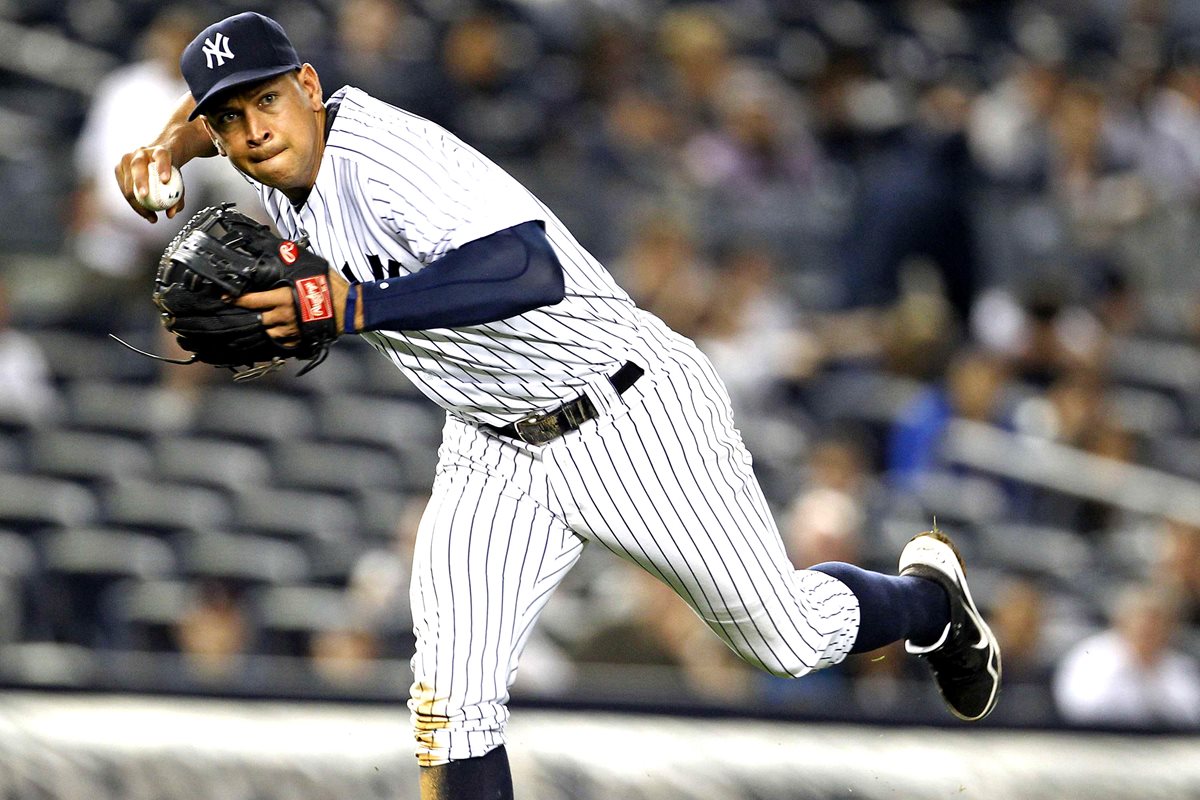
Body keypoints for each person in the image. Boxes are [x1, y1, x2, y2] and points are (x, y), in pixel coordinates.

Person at [114, 13, 1001, 799]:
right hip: (490, 445)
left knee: (785, 638)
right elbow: (202, 119)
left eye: (266, 101)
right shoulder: (259, 154)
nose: (252, 128)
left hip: (624, 412)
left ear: (310, 87)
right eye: (232, 118)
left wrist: (353, 306)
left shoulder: (385, 160)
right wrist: (168, 145)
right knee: (451, 701)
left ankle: (929, 602)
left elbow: (525, 268)